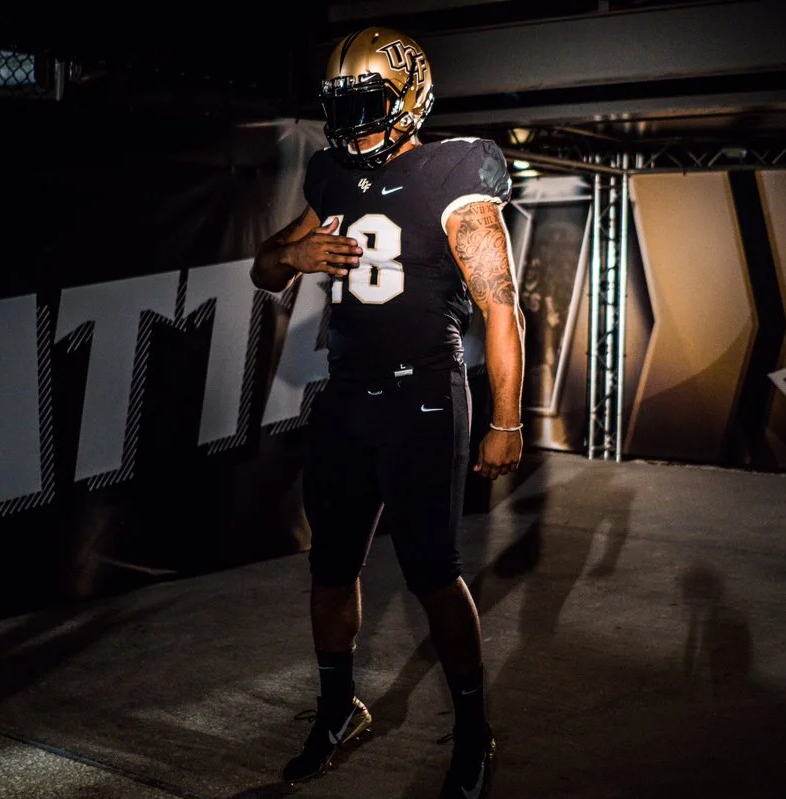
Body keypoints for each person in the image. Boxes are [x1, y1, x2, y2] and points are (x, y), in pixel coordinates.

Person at [250, 26, 524, 799]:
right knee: (329, 570)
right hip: (346, 402)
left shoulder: (456, 174)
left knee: (435, 575)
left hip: (425, 402)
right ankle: (340, 707)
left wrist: (507, 419)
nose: (353, 123)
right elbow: (265, 267)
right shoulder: (333, 177)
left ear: (410, 101)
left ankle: (473, 729)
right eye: (344, 108)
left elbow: (501, 313)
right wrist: (295, 257)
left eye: (368, 105)